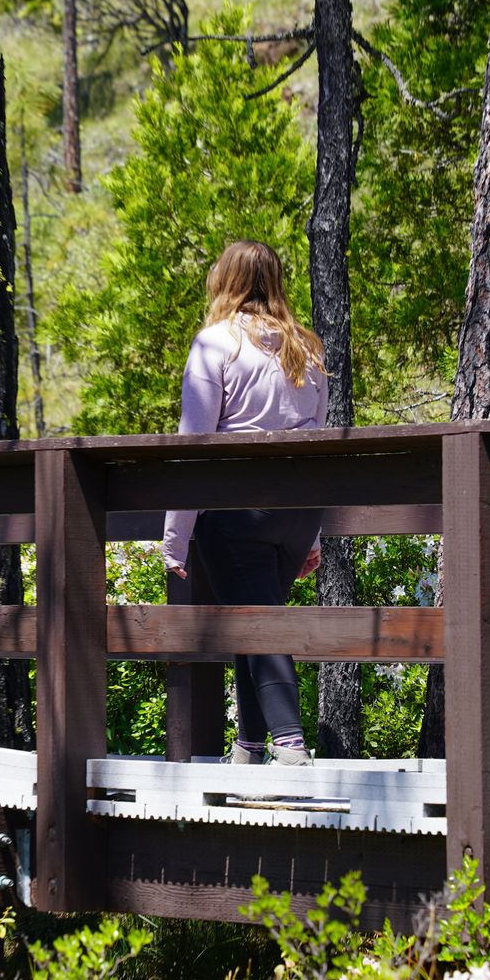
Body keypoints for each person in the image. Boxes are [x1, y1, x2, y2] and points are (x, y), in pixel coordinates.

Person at [162, 239, 327, 766]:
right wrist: (315, 536)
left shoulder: (216, 344)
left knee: (258, 620)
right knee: (252, 617)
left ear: (224, 280)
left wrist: (174, 538)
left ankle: (289, 742)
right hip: (299, 509)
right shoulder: (306, 347)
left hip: (236, 509)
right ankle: (250, 745)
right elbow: (316, 442)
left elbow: (194, 443)